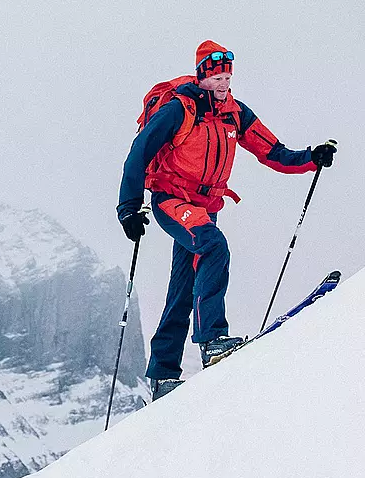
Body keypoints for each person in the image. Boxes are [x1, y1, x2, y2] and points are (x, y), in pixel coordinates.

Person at [116, 41, 336, 402]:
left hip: (206, 203)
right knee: (214, 246)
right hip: (172, 198)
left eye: (227, 74)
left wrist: (311, 158)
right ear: (203, 75)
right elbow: (139, 152)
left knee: (184, 286)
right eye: (216, 74)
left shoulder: (235, 113)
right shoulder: (178, 109)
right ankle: (213, 341)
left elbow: (272, 151)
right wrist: (128, 207)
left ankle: (162, 375)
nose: (223, 81)